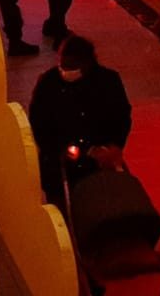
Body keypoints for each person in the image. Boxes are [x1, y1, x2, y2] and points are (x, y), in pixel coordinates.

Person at [28, 36, 131, 208]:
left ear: (87, 64)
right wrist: (62, 149)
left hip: (100, 162)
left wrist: (113, 146)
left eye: (72, 67)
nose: (66, 71)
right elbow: (38, 123)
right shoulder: (49, 82)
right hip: (60, 164)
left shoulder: (108, 81)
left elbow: (121, 117)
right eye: (63, 66)